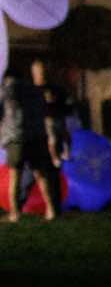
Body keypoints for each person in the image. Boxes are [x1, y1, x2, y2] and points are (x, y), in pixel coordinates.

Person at [3, 57, 69, 221]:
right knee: (40, 174)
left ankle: (14, 214)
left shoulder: (6, 89)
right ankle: (51, 210)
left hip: (15, 136)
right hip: (37, 136)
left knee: (15, 176)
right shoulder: (34, 90)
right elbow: (44, 111)